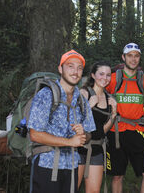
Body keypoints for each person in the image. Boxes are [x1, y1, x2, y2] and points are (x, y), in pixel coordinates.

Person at [28, 49, 96, 193]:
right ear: (60, 69)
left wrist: (84, 134)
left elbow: (89, 134)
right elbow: (34, 134)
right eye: (70, 66)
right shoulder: (46, 95)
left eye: (79, 68)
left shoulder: (81, 100)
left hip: (71, 166)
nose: (75, 72)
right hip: (47, 165)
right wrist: (70, 142)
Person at [105, 42, 144, 193]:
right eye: (130, 56)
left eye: (136, 56)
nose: (133, 59)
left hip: (138, 130)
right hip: (115, 131)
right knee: (117, 176)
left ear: (140, 58)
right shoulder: (112, 79)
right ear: (123, 57)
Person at [78, 61, 117, 193]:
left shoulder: (108, 98)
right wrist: (88, 106)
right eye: (101, 74)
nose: (104, 78)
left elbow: (102, 131)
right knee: (72, 189)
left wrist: (113, 114)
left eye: (108, 75)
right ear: (93, 75)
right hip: (78, 148)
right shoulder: (84, 93)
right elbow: (74, 121)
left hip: (97, 148)